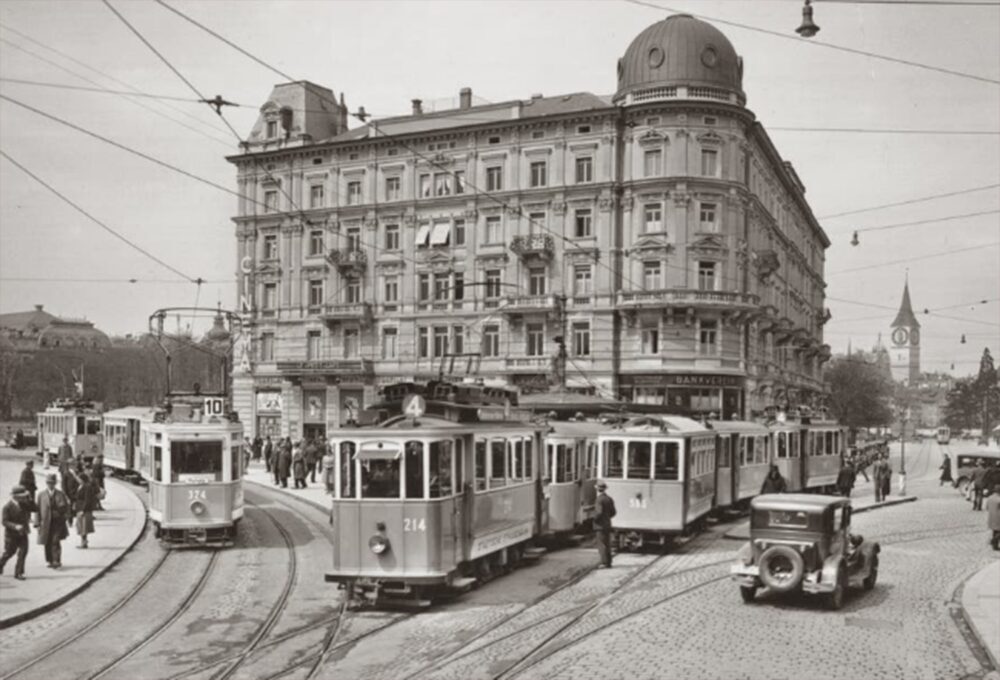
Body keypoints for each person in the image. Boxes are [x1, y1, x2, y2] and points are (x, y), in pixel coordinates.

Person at [34, 473, 70, 569]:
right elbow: (37, 510)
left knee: (55, 541)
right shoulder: (41, 495)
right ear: (46, 483)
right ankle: (50, 560)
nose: (51, 485)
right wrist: (37, 523)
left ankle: (56, 560)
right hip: (45, 522)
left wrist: (64, 516)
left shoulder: (60, 494)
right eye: (49, 483)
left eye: (52, 483)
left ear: (55, 483)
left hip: (58, 522)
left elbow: (66, 507)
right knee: (47, 541)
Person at [0, 486, 31, 579]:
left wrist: (29, 497)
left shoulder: (24, 504)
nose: (24, 498)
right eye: (22, 496)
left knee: (23, 552)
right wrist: (15, 526)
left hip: (23, 533)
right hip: (11, 535)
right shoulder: (7, 507)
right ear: (16, 496)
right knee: (9, 552)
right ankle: (1, 564)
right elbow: (4, 521)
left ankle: (19, 573)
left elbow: (35, 508)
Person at [594, 481, 616, 568]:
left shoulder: (599, 499)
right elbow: (613, 512)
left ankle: (604, 562)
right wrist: (607, 517)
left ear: (598, 489)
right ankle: (609, 562)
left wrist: (595, 519)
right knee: (607, 543)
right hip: (607, 524)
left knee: (601, 544)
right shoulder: (609, 499)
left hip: (600, 525)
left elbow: (598, 512)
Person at [74, 472, 98, 548]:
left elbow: (87, 499)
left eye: (79, 478)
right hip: (79, 508)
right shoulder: (81, 486)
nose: (78, 480)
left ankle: (84, 543)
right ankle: (83, 542)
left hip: (84, 510)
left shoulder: (87, 487)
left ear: (82, 479)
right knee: (81, 527)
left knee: (84, 527)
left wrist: (83, 510)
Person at [987, 483, 1000, 551]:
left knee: (995, 531)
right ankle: (993, 540)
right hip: (998, 518)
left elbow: (987, 507)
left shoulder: (990, 498)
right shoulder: (999, 499)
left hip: (991, 517)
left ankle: (995, 546)